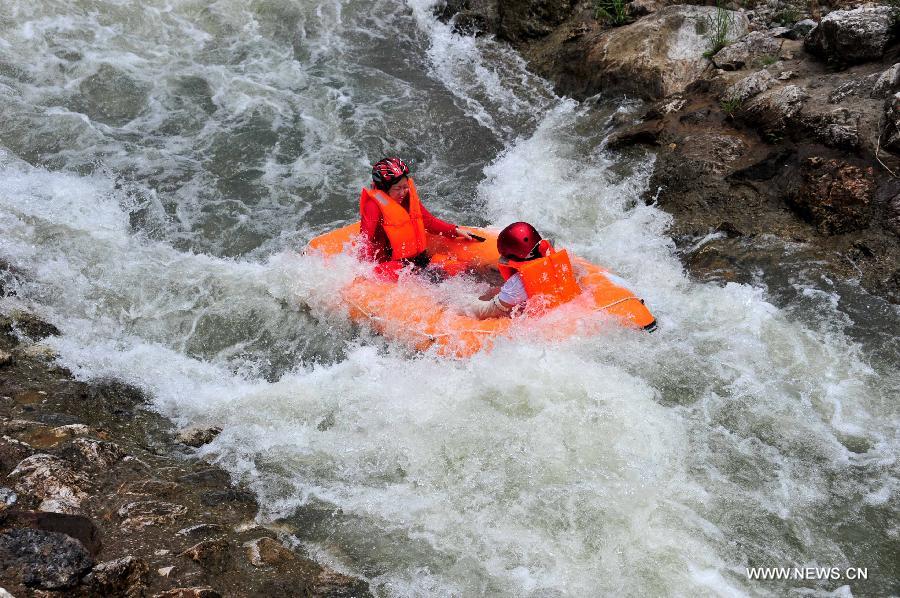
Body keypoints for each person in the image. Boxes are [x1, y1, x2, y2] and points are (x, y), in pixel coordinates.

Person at [359, 157, 478, 276]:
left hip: (413, 260)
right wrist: (365, 272)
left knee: (461, 269)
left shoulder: (407, 199)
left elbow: (428, 221)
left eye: (405, 187)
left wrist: (454, 230)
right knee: (434, 277)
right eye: (397, 189)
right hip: (389, 264)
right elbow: (364, 242)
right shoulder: (373, 207)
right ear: (384, 189)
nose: (402, 192)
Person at [464, 222, 581, 319]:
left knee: (491, 292)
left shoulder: (517, 283)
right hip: (569, 310)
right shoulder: (561, 260)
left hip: (543, 323)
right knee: (495, 290)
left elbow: (489, 310)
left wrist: (462, 302)